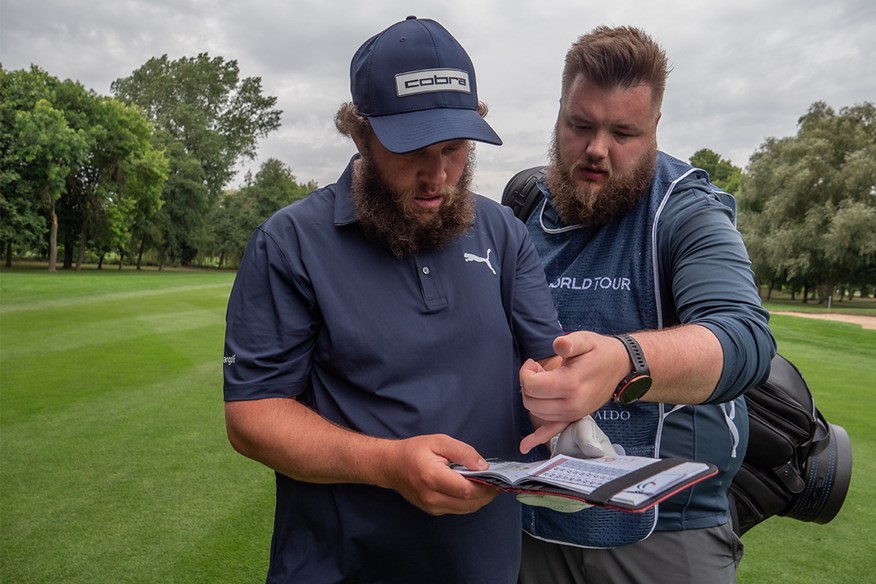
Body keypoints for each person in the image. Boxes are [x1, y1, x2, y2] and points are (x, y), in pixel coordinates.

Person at [222, 16, 564, 584]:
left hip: (482, 565)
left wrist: (567, 398)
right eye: (413, 151)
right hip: (340, 566)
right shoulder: (290, 242)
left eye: (455, 149)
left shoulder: (502, 230)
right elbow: (251, 416)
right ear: (361, 135)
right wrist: (387, 464)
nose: (438, 175)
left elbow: (544, 358)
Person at [511, 26, 776, 583]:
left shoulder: (688, 211)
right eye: (580, 125)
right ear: (558, 112)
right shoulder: (522, 208)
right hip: (529, 523)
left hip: (665, 536)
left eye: (623, 132)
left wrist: (622, 363)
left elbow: (743, 338)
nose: (596, 150)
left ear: (655, 128)